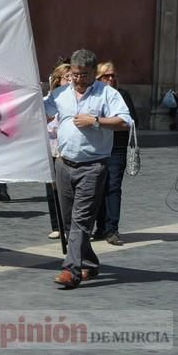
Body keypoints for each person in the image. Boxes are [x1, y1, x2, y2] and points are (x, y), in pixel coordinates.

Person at [43, 49, 131, 289]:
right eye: (74, 74)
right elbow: (43, 113)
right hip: (64, 164)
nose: (78, 79)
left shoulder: (107, 94)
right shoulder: (61, 94)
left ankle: (70, 270)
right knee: (69, 221)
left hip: (93, 166)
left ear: (94, 72)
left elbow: (125, 121)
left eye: (83, 74)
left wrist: (95, 121)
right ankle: (89, 263)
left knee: (81, 220)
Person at [93, 61, 137, 245]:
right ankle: (101, 226)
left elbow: (130, 122)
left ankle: (112, 229)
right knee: (97, 188)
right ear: (97, 78)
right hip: (95, 147)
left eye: (112, 75)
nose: (110, 78)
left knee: (112, 187)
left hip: (116, 149)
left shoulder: (123, 95)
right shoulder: (93, 96)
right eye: (106, 76)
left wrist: (99, 122)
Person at [46, 62, 72, 239]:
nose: (70, 81)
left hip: (66, 150)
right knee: (52, 189)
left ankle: (69, 225)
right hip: (51, 147)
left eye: (72, 77)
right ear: (58, 80)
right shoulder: (49, 99)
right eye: (67, 78)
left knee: (68, 190)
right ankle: (57, 225)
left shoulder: (75, 99)